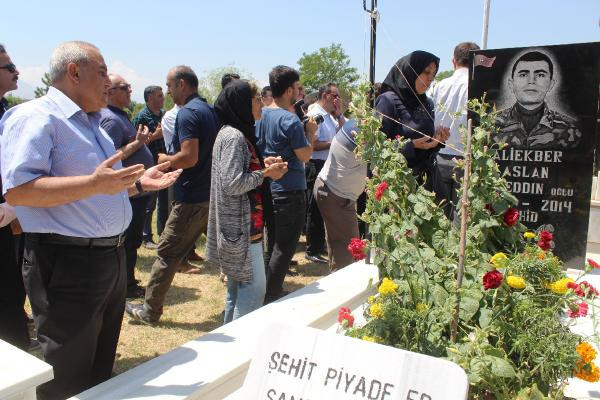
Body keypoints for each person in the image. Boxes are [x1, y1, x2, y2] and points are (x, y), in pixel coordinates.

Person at [0, 41, 180, 400]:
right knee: (67, 374)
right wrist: (95, 184)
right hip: (67, 261)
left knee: (100, 367)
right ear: (74, 72)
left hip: (107, 258)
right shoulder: (36, 117)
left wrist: (137, 185)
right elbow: (19, 191)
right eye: (102, 73)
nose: (108, 83)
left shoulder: (92, 122)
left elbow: (93, 190)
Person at [126, 65, 220, 325]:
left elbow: (189, 157)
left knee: (167, 252)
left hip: (191, 196)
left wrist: (165, 159)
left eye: (168, 86)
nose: (167, 92)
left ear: (181, 84)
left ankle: (149, 311)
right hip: (207, 192)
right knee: (219, 247)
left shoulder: (188, 113)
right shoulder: (208, 110)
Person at [207, 80, 288, 322]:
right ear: (243, 103)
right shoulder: (234, 136)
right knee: (253, 290)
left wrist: (262, 166)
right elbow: (232, 183)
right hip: (241, 230)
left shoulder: (232, 132)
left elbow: (237, 173)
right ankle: (242, 343)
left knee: (236, 290)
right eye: (256, 99)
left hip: (238, 228)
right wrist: (266, 173)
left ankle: (231, 342)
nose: (261, 103)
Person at [256, 65, 317, 304]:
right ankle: (270, 294)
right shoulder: (290, 120)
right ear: (290, 90)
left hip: (268, 187)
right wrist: (311, 132)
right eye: (297, 87)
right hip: (290, 190)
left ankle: (266, 290)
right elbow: (305, 156)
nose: (299, 92)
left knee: (272, 244)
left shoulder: (260, 115)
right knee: (285, 246)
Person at [100, 74, 154, 299]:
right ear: (110, 91)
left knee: (132, 241)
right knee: (127, 241)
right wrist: (138, 143)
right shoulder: (111, 120)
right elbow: (109, 157)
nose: (130, 90)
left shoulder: (119, 116)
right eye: (125, 87)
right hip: (128, 193)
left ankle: (127, 281)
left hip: (136, 192)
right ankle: (125, 286)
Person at [375, 51, 450, 191]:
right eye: (426, 72)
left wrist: (436, 140)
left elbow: (425, 145)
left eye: (434, 74)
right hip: (396, 183)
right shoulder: (388, 101)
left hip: (425, 182)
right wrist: (410, 145)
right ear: (410, 72)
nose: (431, 78)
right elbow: (376, 148)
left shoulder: (427, 103)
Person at [0, 43, 30, 352]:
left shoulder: (5, 110)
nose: (16, 71)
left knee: (11, 286)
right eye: (8, 67)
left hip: (8, 213)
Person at [430, 42, 480, 219]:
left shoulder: (439, 86)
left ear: (453, 61)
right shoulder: (477, 86)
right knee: (462, 220)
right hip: (465, 158)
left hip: (440, 155)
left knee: (439, 217)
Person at [494, 50, 581, 149]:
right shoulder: (490, 125)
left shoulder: (569, 129)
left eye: (540, 75)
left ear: (550, 84)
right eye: (523, 75)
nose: (531, 81)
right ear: (511, 84)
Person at [314, 119, 367, 271]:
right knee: (348, 247)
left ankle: (336, 277)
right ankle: (345, 281)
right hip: (335, 194)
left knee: (338, 244)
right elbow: (379, 153)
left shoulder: (354, 125)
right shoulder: (357, 131)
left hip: (332, 192)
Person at [304, 83, 346, 264]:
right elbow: (312, 144)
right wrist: (333, 143)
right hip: (316, 164)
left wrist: (340, 113)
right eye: (335, 96)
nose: (338, 99)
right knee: (315, 208)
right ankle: (312, 249)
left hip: (327, 164)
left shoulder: (330, 116)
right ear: (326, 95)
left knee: (324, 207)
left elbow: (344, 132)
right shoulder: (316, 114)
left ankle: (319, 244)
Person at [133, 85, 169, 249]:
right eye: (159, 95)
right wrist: (156, 135)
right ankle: (146, 237)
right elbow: (136, 143)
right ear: (149, 98)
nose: (163, 98)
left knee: (165, 203)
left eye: (162, 95)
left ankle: (164, 235)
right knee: (149, 204)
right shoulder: (142, 116)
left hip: (164, 165)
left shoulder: (164, 115)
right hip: (149, 167)